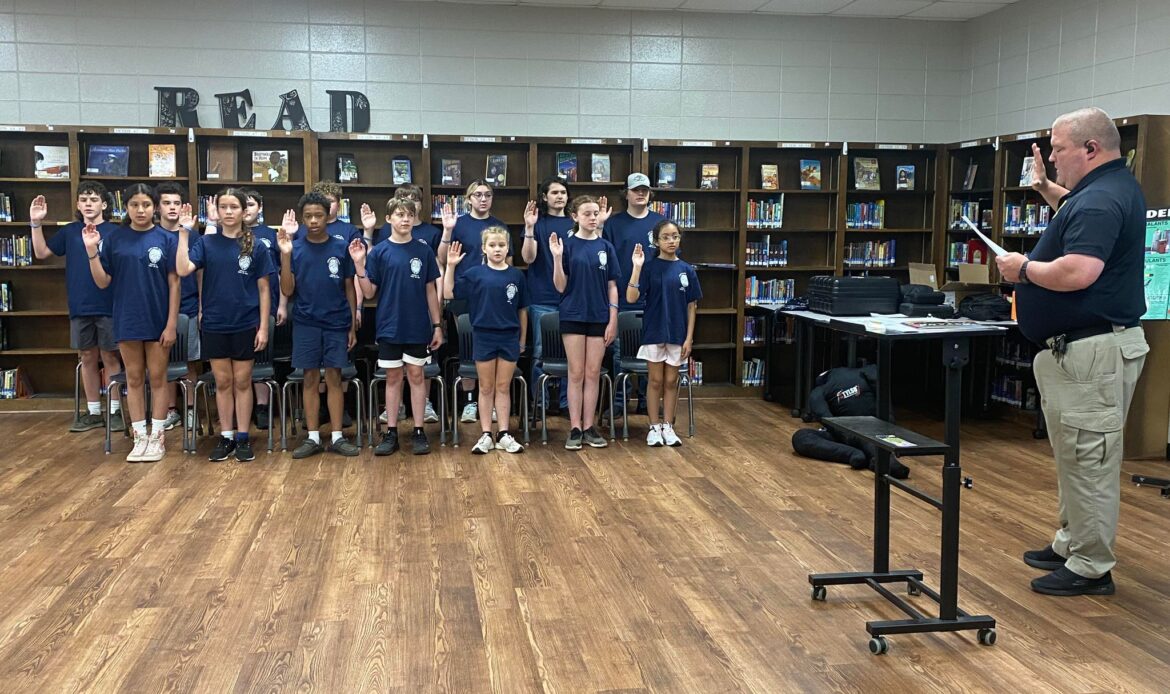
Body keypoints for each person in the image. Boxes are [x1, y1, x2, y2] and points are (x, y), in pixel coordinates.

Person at [995, 106, 1149, 597]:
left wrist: (1023, 269)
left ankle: (1091, 565)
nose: (1053, 158)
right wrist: (1045, 188)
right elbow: (1077, 213)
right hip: (1082, 352)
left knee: (1089, 460)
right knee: (1074, 455)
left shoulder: (1100, 200)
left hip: (1094, 353)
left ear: (1091, 148)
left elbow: (1080, 271)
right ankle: (1073, 542)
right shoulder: (1106, 190)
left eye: (1058, 150)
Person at [82, 184, 179, 463]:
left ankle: (157, 436)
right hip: (127, 318)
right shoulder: (115, 238)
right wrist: (91, 251)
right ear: (126, 207)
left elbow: (175, 284)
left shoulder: (166, 238)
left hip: (158, 318)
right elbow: (103, 281)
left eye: (146, 205)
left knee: (158, 378)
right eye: (134, 204)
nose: (140, 210)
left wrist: (171, 324)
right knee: (134, 379)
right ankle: (139, 437)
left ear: (155, 207)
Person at [176, 188, 272, 462]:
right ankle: (226, 435)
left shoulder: (256, 245)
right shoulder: (206, 243)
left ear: (244, 211)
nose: (228, 212)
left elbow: (264, 289)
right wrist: (184, 233)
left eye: (234, 207)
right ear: (216, 211)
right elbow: (183, 269)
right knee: (223, 382)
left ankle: (243, 436)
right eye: (223, 207)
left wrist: (263, 327)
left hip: (245, 323)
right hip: (215, 323)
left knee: (242, 381)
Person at [350, 196, 442, 456]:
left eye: (409, 215)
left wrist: (437, 325)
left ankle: (419, 430)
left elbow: (431, 291)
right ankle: (391, 432)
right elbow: (369, 292)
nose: (405, 219)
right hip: (389, 324)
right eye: (400, 215)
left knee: (416, 376)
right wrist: (359, 265)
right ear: (388, 218)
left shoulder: (423, 250)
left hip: (417, 325)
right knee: (392, 378)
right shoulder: (379, 251)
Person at [28, 184, 123, 433]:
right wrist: (36, 223)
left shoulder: (115, 232)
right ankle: (94, 411)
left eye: (94, 199)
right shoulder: (70, 231)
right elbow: (41, 252)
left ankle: (115, 411)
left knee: (110, 356)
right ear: (78, 205)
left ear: (104, 204)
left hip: (110, 304)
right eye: (84, 199)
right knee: (87, 357)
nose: (88, 203)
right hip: (80, 305)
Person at [277, 192, 360, 459]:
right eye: (308, 216)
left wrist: (352, 325)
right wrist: (286, 256)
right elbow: (287, 290)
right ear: (302, 219)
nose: (313, 221)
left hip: (336, 321)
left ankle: (337, 436)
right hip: (306, 322)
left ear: (328, 216)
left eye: (318, 215)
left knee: (335, 377)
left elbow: (349, 288)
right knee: (310, 378)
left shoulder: (340, 247)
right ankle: (312, 437)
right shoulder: (295, 248)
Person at [444, 228, 528, 455]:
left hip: (509, 337)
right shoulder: (475, 274)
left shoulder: (516, 276)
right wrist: (450, 266)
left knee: (503, 386)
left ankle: (503, 433)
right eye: (492, 245)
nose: (497, 249)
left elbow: (522, 310)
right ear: (484, 248)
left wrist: (522, 340)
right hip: (484, 336)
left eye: (501, 245)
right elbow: (449, 293)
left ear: (508, 248)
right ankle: (486, 434)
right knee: (486, 386)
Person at [438, 179, 510, 424]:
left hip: (493, 296)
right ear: (468, 199)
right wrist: (447, 231)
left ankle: (491, 403)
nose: (483, 199)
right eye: (477, 194)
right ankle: (470, 401)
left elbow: (508, 263)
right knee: (469, 349)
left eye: (487, 194)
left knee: (492, 350)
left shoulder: (499, 226)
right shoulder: (458, 225)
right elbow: (442, 258)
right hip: (463, 294)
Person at [551, 195, 619, 450]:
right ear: (575, 216)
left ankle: (589, 426)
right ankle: (575, 428)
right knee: (576, 372)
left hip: (599, 316)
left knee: (593, 373)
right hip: (573, 314)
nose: (592, 218)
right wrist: (556, 258)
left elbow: (612, 286)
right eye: (587, 213)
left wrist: (613, 319)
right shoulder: (566, 245)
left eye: (595, 213)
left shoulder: (606, 247)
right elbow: (560, 286)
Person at [626, 220, 701, 447]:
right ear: (656, 241)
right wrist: (636, 268)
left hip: (678, 333)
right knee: (655, 380)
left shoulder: (687, 270)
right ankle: (654, 426)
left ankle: (668, 426)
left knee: (671, 381)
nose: (671, 241)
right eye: (666, 237)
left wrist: (689, 338)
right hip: (654, 331)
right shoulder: (649, 267)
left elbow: (692, 306)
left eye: (675, 236)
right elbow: (631, 298)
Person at [604, 172, 663, 416]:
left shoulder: (660, 223)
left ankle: (646, 400)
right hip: (621, 298)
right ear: (626, 194)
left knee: (652, 352)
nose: (641, 194)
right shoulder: (613, 224)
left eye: (645, 190)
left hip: (653, 299)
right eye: (636, 190)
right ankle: (620, 401)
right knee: (620, 353)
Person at [521, 177, 573, 415]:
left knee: (570, 354)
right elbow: (528, 258)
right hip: (542, 298)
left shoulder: (575, 223)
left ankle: (565, 403)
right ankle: (539, 404)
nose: (560, 196)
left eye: (563, 192)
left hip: (572, 299)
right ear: (545, 197)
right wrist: (529, 228)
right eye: (554, 192)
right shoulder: (537, 223)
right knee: (541, 354)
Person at [155, 182, 200, 433]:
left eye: (176, 203)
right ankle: (171, 410)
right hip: (159, 309)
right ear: (157, 207)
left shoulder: (193, 236)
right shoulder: (152, 235)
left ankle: (191, 408)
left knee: (189, 361)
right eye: (166, 203)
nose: (172, 208)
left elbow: (201, 273)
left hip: (189, 306)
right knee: (163, 363)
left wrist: (202, 305)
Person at [240, 188, 284, 430]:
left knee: (261, 356)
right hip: (239, 306)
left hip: (267, 302)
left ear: (260, 208)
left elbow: (281, 271)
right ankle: (241, 407)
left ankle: (262, 406)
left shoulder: (270, 235)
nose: (247, 209)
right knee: (240, 358)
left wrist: (282, 304)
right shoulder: (230, 235)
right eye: (243, 205)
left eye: (251, 204)